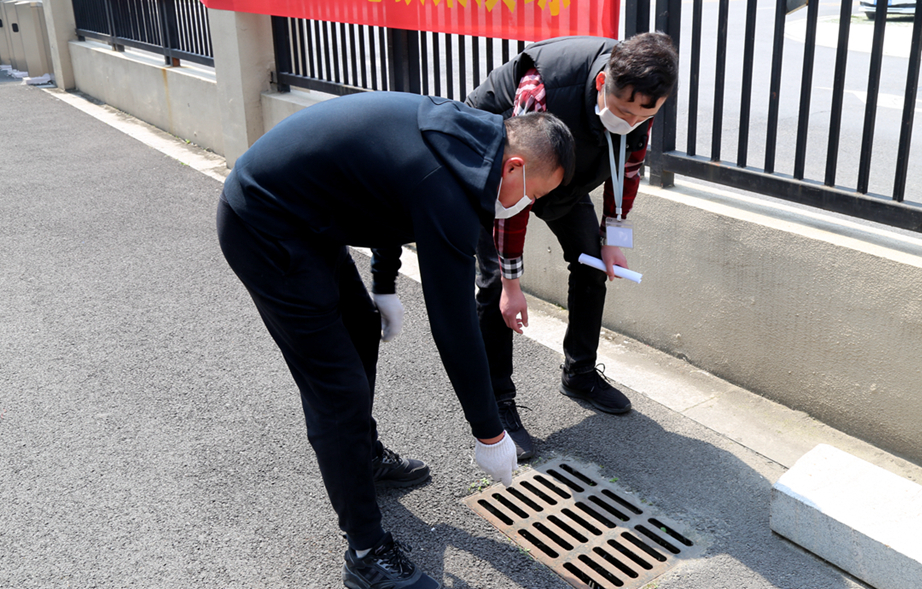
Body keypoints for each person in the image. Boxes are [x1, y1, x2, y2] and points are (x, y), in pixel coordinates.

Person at [216, 92, 574, 589]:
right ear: (515, 166)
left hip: (308, 217)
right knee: (338, 391)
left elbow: (385, 196)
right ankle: (366, 554)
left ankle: (360, 456)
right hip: (263, 225)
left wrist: (382, 284)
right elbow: (453, 322)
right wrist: (489, 432)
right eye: (532, 193)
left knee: (360, 326)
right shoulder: (449, 186)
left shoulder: (470, 142)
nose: (526, 205)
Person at [465, 32, 679, 460]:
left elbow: (627, 171)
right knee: (494, 287)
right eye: (623, 111)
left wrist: (613, 238)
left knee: (593, 263)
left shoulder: (642, 99)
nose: (632, 121)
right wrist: (512, 285)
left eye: (645, 114)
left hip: (563, 170)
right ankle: (498, 405)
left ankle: (579, 372)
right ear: (601, 83)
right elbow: (515, 193)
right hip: (501, 167)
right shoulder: (540, 91)